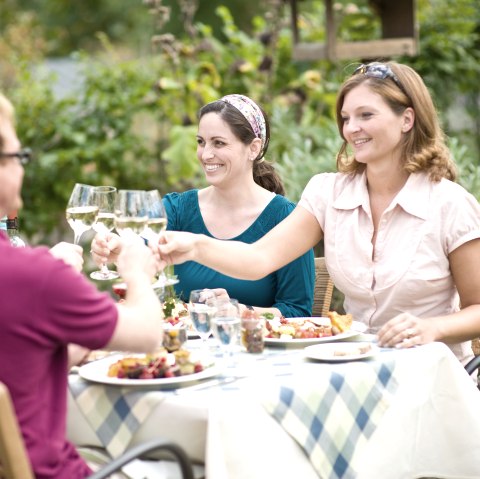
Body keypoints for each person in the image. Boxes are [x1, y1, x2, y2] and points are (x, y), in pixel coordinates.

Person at [157, 61, 480, 365]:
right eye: (346, 118)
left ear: (407, 119)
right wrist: (195, 245)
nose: (352, 128)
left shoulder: (449, 205)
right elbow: (258, 260)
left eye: (365, 115)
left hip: (432, 371)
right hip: (355, 365)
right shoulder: (328, 193)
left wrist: (432, 329)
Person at [0, 92, 163, 478]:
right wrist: (138, 272)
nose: (22, 168)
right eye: (17, 157)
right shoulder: (30, 275)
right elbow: (148, 333)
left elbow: (24, 360)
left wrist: (73, 321)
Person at [93, 94, 315, 318]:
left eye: (219, 143)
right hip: (180, 350)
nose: (206, 154)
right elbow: (137, 243)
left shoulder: (287, 219)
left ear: (253, 148)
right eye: (201, 142)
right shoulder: (179, 208)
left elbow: (297, 311)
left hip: (256, 349)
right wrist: (115, 247)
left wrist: (240, 312)